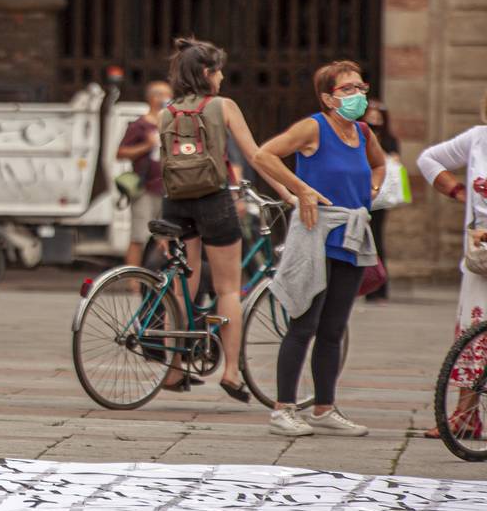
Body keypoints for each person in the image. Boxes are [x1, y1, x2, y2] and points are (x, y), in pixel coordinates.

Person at [252, 60, 382, 437]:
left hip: (352, 234)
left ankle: (324, 407)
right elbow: (264, 155)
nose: (358, 94)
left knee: (334, 327)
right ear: (328, 97)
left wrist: (373, 190)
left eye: (361, 87)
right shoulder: (314, 127)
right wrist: (301, 189)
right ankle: (283, 409)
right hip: (316, 231)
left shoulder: (362, 131)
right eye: (347, 89)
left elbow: (378, 166)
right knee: (304, 323)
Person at [152, 38, 269, 406]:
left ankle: (173, 369)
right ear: (207, 73)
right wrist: (289, 189)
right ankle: (231, 371)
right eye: (218, 71)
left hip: (175, 203)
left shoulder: (166, 112)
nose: (221, 78)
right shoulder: (223, 106)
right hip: (214, 200)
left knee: (182, 283)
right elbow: (255, 154)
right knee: (228, 289)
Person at [414, 91, 487, 440]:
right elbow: (428, 159)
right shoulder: (477, 139)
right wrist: (457, 191)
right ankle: (466, 414)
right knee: (474, 331)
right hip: (482, 256)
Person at [116, 80, 173, 266]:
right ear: (153, 98)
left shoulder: (171, 124)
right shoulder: (140, 125)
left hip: (167, 188)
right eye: (163, 95)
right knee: (139, 235)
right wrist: (147, 145)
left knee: (164, 235)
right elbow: (121, 153)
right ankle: (133, 278)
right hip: (146, 188)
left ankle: (155, 273)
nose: (167, 99)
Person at [364, 99, 401, 302]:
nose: (374, 120)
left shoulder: (388, 139)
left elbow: (394, 160)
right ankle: (365, 286)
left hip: (380, 197)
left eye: (378, 117)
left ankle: (379, 287)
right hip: (363, 194)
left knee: (376, 240)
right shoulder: (360, 134)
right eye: (371, 116)